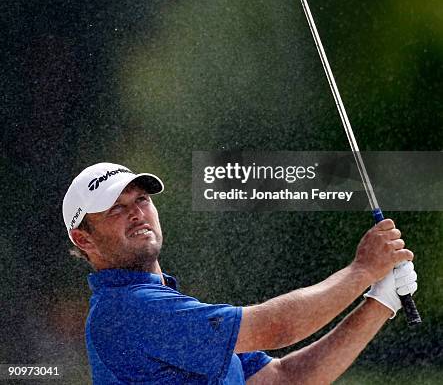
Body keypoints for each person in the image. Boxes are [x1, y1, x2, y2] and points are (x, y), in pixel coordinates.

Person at [63, 162, 418, 384]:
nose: (137, 213)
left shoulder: (169, 307)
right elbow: (277, 328)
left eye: (141, 199)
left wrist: (380, 300)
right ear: (83, 239)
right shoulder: (126, 311)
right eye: (115, 209)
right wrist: (362, 269)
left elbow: (285, 378)